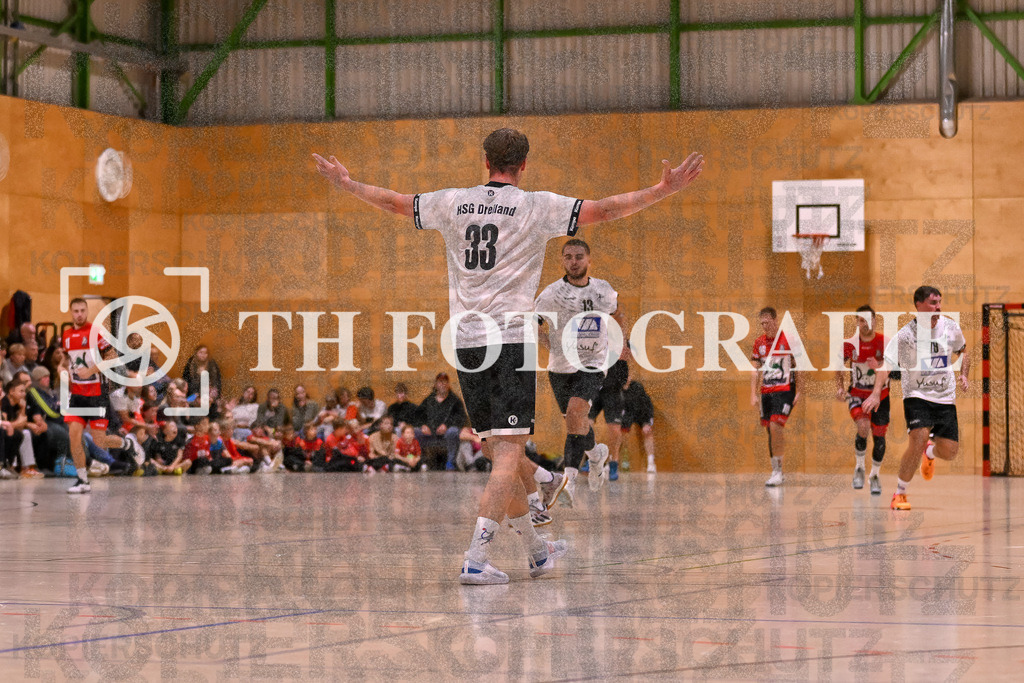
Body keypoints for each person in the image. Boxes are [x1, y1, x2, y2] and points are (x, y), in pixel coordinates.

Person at [315, 127, 704, 584]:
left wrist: (347, 183)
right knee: (507, 454)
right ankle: (476, 558)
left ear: (484, 162)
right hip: (509, 341)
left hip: (463, 340)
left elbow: (397, 202)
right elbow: (605, 209)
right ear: (523, 165)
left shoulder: (454, 201)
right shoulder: (537, 206)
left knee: (501, 447)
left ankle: (537, 550)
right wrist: (663, 189)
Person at [534, 238, 623, 505]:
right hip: (560, 368)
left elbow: (617, 313)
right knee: (576, 424)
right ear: (563, 260)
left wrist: (622, 343)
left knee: (576, 413)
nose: (574, 261)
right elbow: (535, 325)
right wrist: (552, 347)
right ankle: (596, 455)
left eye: (579, 256)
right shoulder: (551, 294)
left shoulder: (602, 290)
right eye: (569, 257)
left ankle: (568, 481)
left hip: (592, 364)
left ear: (588, 259)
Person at [886, 286, 970, 511]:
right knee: (919, 437)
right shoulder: (906, 334)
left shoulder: (950, 327)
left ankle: (930, 453)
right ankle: (900, 493)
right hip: (917, 394)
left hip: (944, 397)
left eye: (940, 302)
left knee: (951, 452)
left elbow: (963, 350)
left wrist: (963, 374)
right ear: (919, 305)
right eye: (933, 302)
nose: (938, 307)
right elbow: (886, 363)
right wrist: (876, 393)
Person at [61, 297, 126, 493]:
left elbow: (112, 357)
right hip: (77, 395)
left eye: (82, 310)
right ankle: (82, 481)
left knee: (99, 441)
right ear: (71, 313)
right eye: (75, 311)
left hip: (97, 394)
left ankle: (127, 444)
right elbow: (67, 359)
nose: (79, 314)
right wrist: (61, 368)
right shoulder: (65, 335)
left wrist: (91, 371)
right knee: (74, 436)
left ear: (87, 311)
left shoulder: (95, 332)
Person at [834, 305, 890, 495]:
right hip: (857, 394)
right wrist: (840, 387)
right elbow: (838, 365)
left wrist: (879, 365)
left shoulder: (884, 342)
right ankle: (859, 467)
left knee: (880, 439)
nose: (864, 323)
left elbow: (896, 370)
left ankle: (874, 475)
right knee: (863, 427)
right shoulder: (849, 344)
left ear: (875, 321)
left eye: (867, 319)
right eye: (860, 320)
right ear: (857, 321)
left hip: (881, 396)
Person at [750, 306, 800, 487]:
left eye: (767, 322)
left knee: (775, 425)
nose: (764, 326)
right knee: (770, 431)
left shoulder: (789, 339)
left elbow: (799, 366)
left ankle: (778, 472)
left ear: (775, 320)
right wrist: (753, 394)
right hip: (766, 392)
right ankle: (776, 470)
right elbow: (755, 371)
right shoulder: (759, 343)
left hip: (785, 389)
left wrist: (800, 390)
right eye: (762, 323)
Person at [415, 373, 467, 471]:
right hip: (430, 434)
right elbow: (418, 415)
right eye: (440, 382)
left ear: (448, 384)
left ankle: (450, 462)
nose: (442, 384)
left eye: (445, 382)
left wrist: (447, 426)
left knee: (453, 431)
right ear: (435, 384)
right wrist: (423, 425)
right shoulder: (429, 400)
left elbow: (461, 417)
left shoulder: (455, 400)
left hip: (446, 436)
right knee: (416, 432)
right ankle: (422, 462)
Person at [620, 376, 657, 473]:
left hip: (643, 413)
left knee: (647, 432)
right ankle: (614, 461)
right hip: (627, 414)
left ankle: (651, 462)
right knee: (619, 434)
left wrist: (647, 423)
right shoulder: (616, 389)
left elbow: (647, 405)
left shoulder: (637, 387)